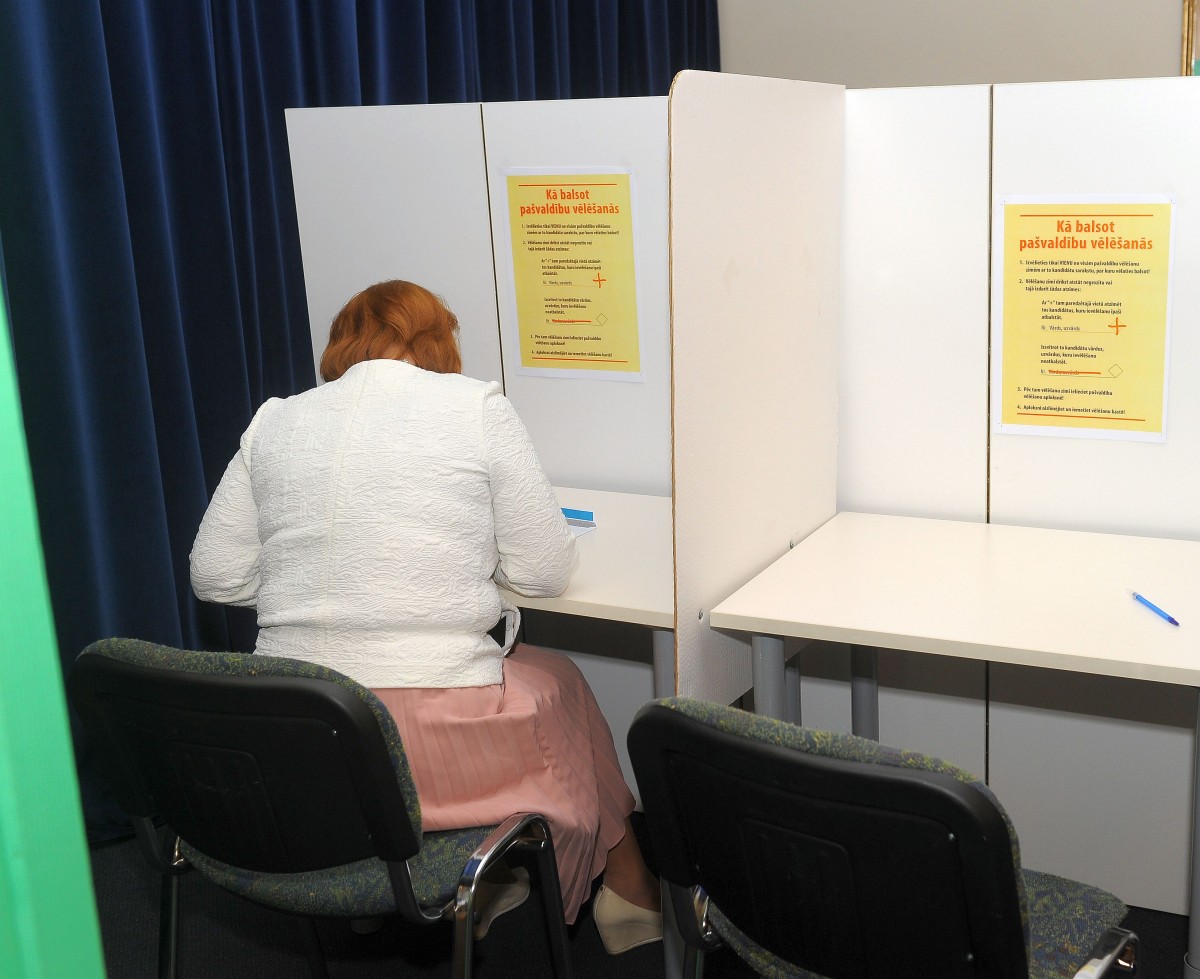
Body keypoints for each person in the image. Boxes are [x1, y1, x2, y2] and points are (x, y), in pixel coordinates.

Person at [189, 279, 661, 953]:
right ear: (440, 343)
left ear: (342, 345)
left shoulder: (274, 421)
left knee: (550, 685)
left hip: (297, 738)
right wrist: (469, 566)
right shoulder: (475, 407)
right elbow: (544, 571)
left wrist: (323, 577)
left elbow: (214, 574)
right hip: (431, 743)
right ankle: (620, 887)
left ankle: (413, 887)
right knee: (560, 683)